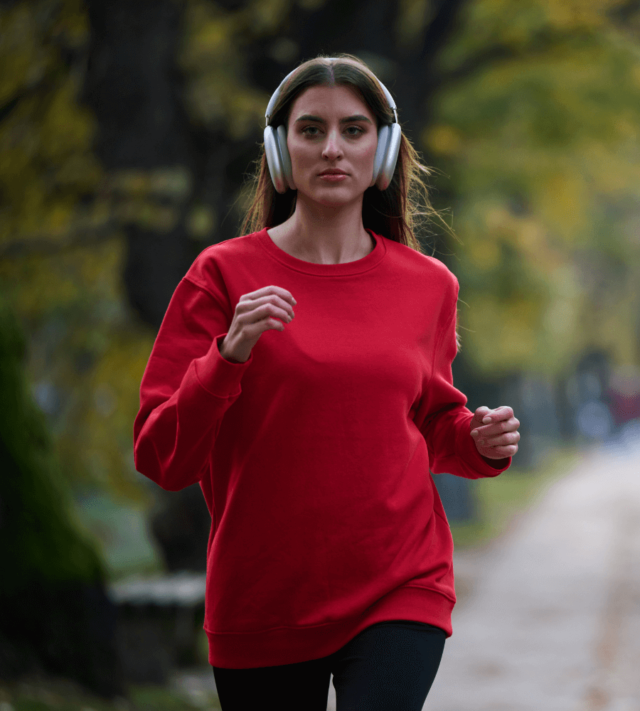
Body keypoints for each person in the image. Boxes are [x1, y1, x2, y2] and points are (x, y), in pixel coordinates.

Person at [132, 55, 521, 710]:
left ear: (385, 148)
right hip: (264, 598)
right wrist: (228, 355)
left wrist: (480, 439)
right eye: (310, 130)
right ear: (280, 151)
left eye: (353, 129)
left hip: (401, 580)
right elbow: (161, 455)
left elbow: (431, 427)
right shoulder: (221, 276)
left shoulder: (430, 285)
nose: (332, 148)